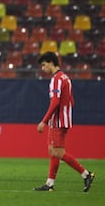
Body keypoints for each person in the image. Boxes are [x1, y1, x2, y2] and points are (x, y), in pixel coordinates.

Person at [33, 51, 95, 192]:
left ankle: (86, 174)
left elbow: (55, 102)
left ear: (50, 62)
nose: (42, 69)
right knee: (52, 151)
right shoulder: (65, 78)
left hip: (57, 121)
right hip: (61, 119)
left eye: (43, 65)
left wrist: (44, 121)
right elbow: (71, 101)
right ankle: (50, 184)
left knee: (58, 153)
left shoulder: (57, 79)